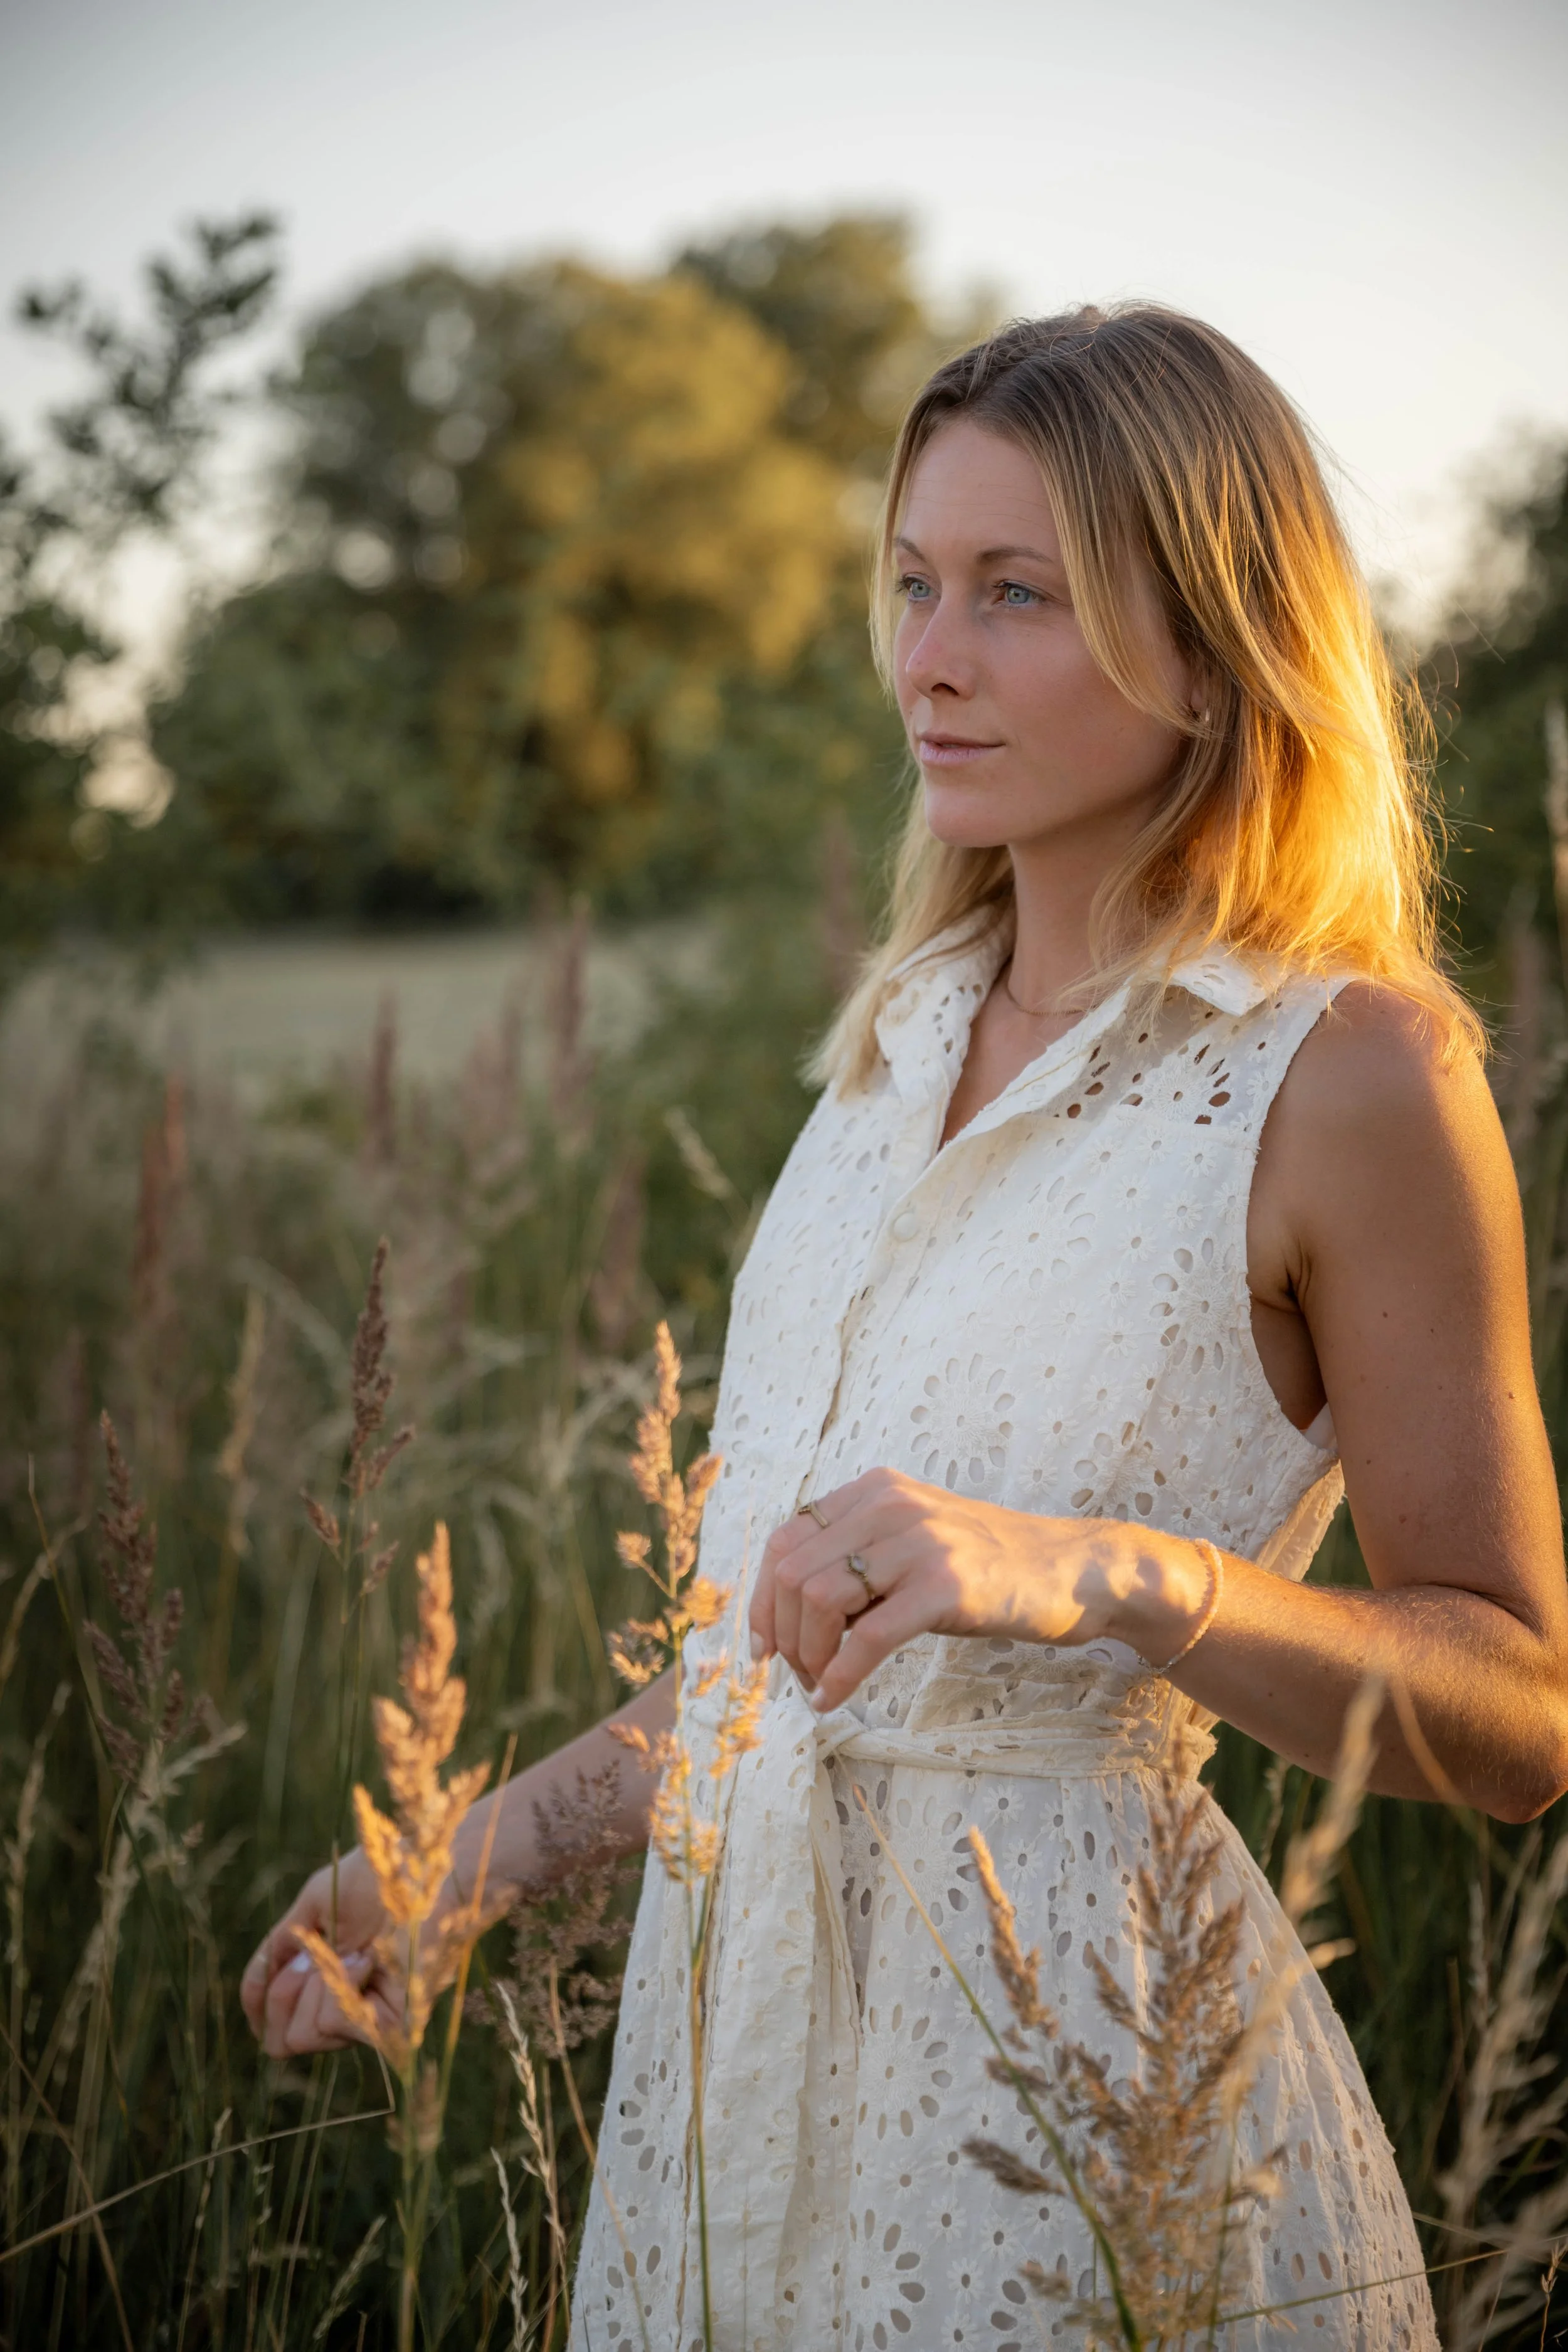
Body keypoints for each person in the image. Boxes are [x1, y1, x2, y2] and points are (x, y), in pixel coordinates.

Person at [243, 306, 1568, 2349]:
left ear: (1213, 642)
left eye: (1015, 594)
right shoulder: (885, 1053)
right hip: (732, 2074)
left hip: (1076, 2098)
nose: (926, 659)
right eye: (914, 585)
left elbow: (1514, 1713)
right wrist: (462, 1866)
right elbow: (768, 1664)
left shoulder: (1347, 1071)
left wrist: (1106, 1578)